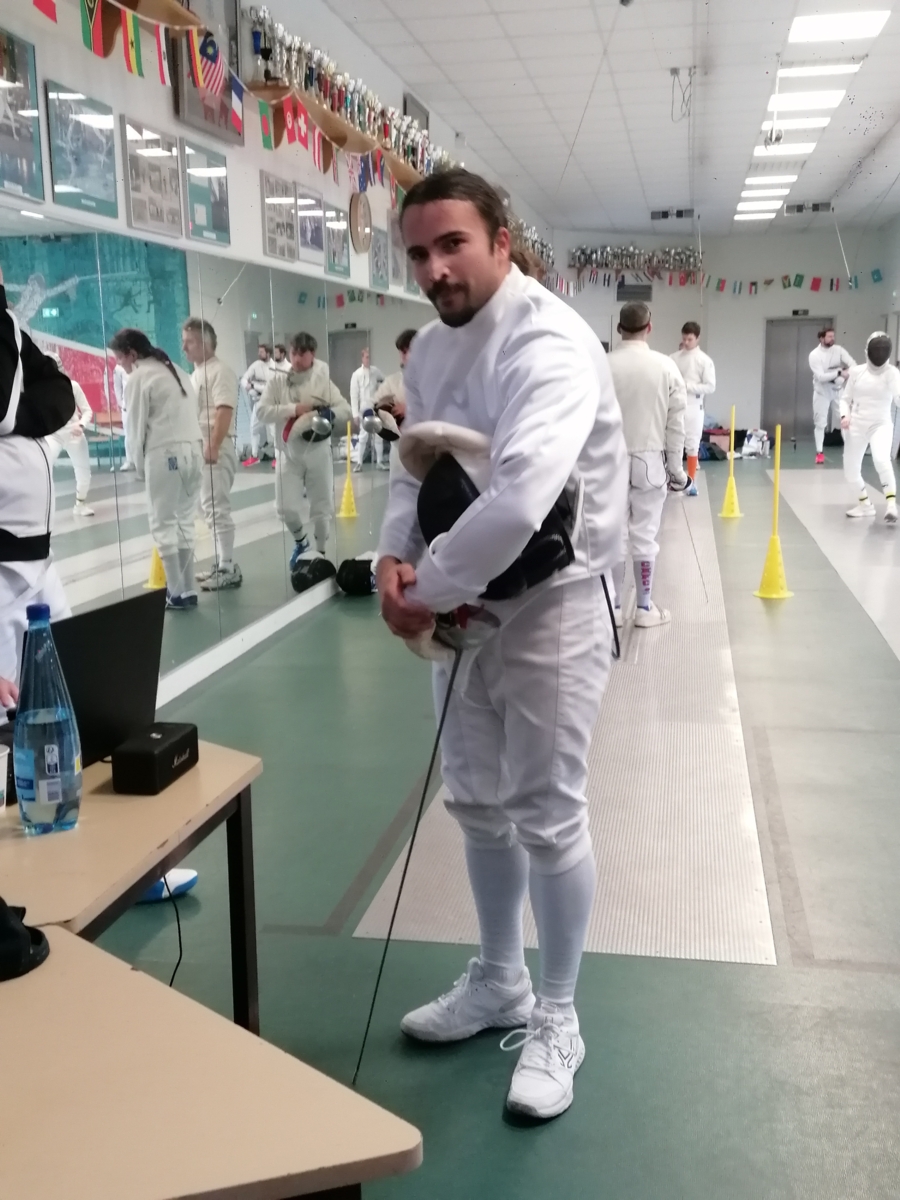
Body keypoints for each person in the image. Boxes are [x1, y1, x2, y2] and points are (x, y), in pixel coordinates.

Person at [376, 169, 627, 1121]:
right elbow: (415, 469)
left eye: (453, 245)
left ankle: (558, 1015)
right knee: (476, 801)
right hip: (462, 601)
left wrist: (425, 592)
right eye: (419, 253)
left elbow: (522, 502)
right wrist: (390, 561)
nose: (435, 268)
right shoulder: (434, 348)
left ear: (501, 241)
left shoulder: (547, 341)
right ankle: (499, 980)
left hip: (554, 602)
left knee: (547, 811)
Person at [109, 328, 204, 610]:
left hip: (166, 453)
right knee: (185, 520)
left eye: (119, 358)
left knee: (163, 523)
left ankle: (175, 592)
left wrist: (139, 468)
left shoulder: (139, 377)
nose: (119, 364)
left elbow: (135, 429)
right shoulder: (176, 370)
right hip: (194, 451)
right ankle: (188, 589)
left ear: (132, 354)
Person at [607, 301, 688, 628]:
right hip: (650, 462)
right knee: (645, 535)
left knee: (613, 534)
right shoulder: (666, 367)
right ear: (649, 327)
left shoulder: (601, 365)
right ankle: (643, 608)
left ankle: (613, 609)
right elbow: (676, 425)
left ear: (619, 329)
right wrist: (677, 471)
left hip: (607, 462)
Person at [256, 332, 351, 567]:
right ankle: (301, 541)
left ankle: (320, 554)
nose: (297, 359)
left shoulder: (322, 381)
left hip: (318, 452)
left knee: (322, 508)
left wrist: (329, 413)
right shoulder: (277, 382)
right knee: (285, 508)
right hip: (287, 453)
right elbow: (261, 412)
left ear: (312, 355)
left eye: (302, 354)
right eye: (294, 353)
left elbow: (346, 410)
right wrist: (293, 409)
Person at [181, 317, 242, 591]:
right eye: (184, 342)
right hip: (200, 448)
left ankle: (228, 567)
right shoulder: (196, 374)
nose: (184, 348)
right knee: (207, 508)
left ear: (206, 343)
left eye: (190, 342)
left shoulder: (220, 371)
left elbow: (224, 410)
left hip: (215, 446)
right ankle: (222, 563)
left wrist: (213, 445)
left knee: (217, 508)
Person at [841, 332, 900, 523]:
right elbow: (845, 399)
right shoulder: (857, 372)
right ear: (868, 350)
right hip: (856, 425)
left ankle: (891, 505)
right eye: (877, 349)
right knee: (850, 472)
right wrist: (845, 415)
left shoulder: (892, 373)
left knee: (881, 459)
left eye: (883, 349)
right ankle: (865, 505)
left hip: (880, 425)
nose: (880, 353)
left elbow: (898, 396)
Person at [46, 354, 95, 517]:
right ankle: (42, 508)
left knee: (84, 474)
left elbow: (87, 410)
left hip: (75, 435)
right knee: (43, 469)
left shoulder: (73, 386)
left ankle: (80, 504)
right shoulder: (41, 389)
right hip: (54, 435)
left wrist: (81, 424)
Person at [670, 321, 715, 495]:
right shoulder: (673, 358)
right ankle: (674, 480)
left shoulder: (704, 360)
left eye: (690, 339)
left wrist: (688, 386)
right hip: (675, 404)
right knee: (673, 442)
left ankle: (691, 482)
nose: (686, 342)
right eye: (684, 339)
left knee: (692, 444)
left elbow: (710, 386)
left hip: (694, 405)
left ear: (697, 338)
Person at [809, 326, 855, 465]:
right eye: (829, 337)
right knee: (820, 423)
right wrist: (839, 372)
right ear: (821, 338)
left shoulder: (838, 350)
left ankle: (850, 452)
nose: (832, 339)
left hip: (838, 391)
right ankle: (819, 453)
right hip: (821, 392)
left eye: (833, 336)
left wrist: (845, 374)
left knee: (845, 420)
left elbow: (853, 365)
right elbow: (821, 377)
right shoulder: (814, 355)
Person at [351, 346, 386, 471]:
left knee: (379, 435)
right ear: (362, 358)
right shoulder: (356, 374)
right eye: (366, 357)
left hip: (375, 408)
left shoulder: (376, 371)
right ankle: (359, 463)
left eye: (370, 357)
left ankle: (380, 462)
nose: (368, 359)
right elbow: (354, 396)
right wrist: (355, 414)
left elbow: (385, 382)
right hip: (363, 409)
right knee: (363, 436)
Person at [241, 343, 273, 466]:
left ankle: (278, 457)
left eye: (262, 352)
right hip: (258, 402)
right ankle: (254, 456)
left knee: (274, 431)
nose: (259, 354)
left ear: (268, 353)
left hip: (271, 402)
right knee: (253, 428)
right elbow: (244, 379)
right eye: (259, 351)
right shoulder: (256, 365)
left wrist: (254, 385)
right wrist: (249, 388)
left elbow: (269, 388)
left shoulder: (274, 367)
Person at [113, 361, 136, 472]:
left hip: (140, 403)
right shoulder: (118, 368)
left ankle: (144, 460)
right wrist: (121, 403)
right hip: (127, 407)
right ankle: (130, 461)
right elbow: (117, 386)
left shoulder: (139, 364)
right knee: (128, 434)